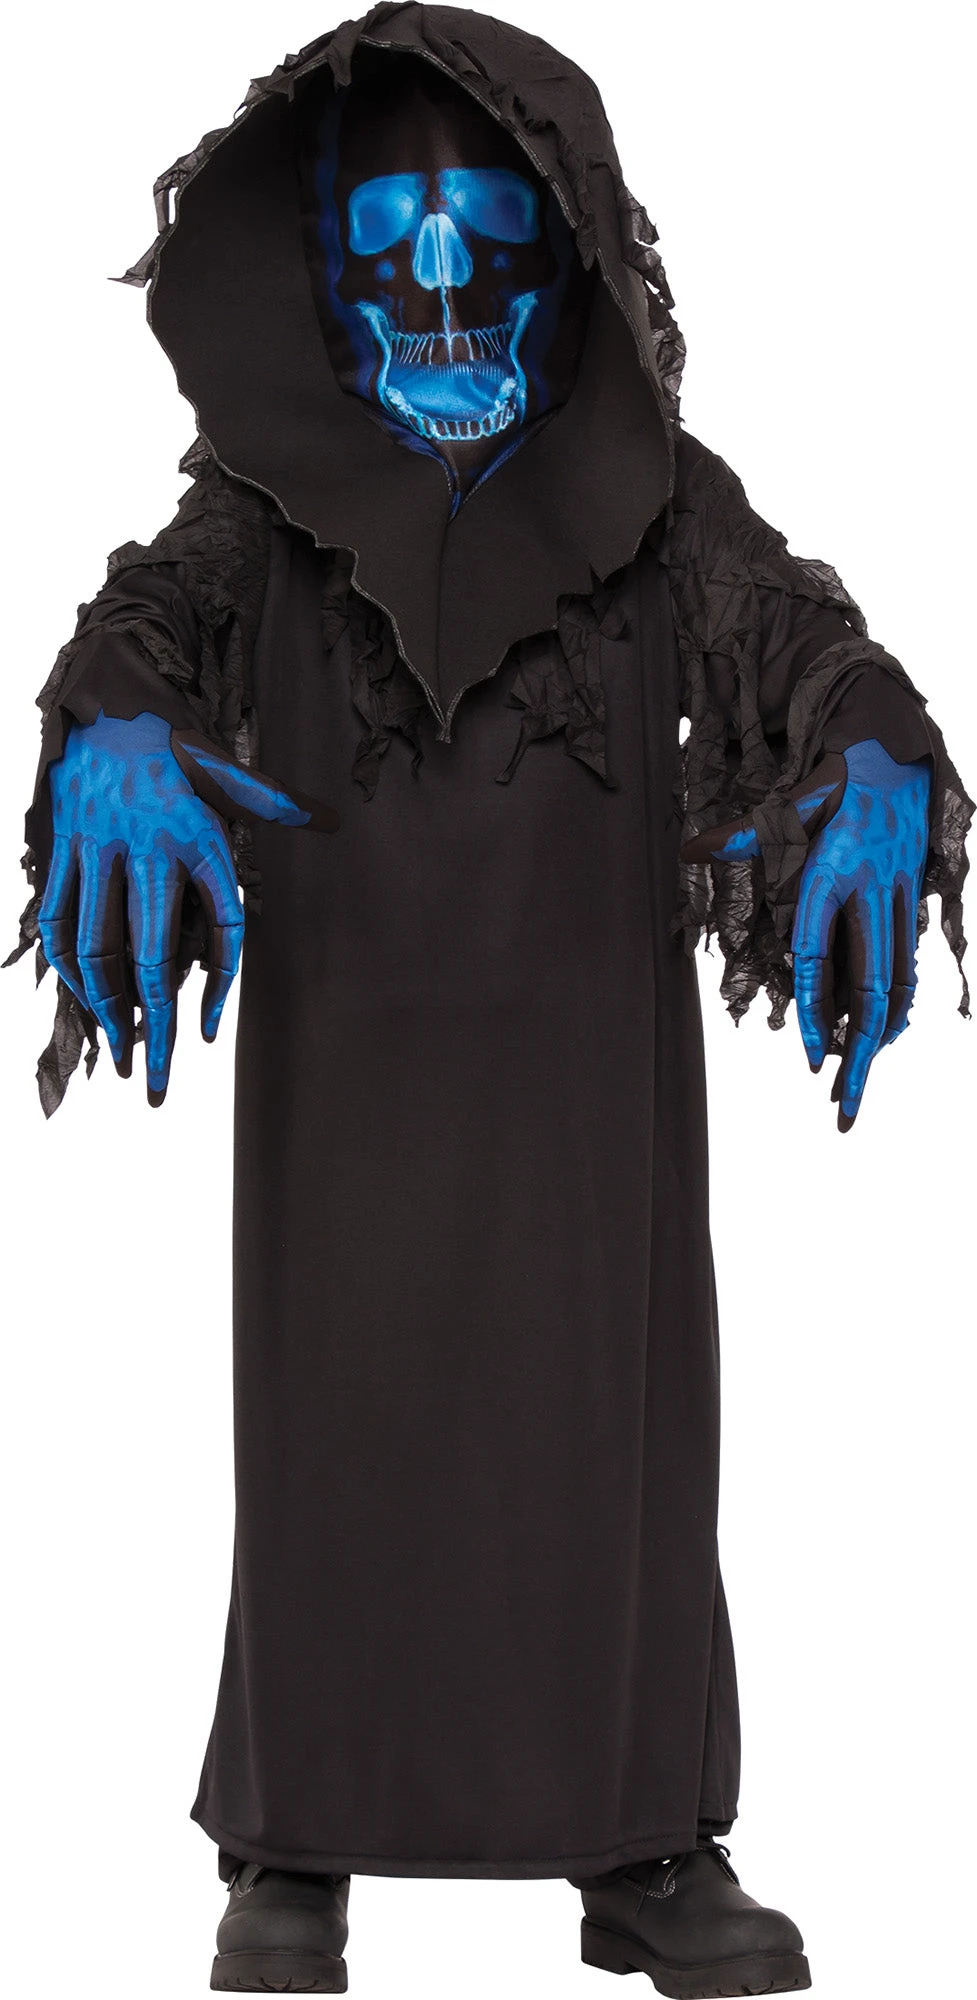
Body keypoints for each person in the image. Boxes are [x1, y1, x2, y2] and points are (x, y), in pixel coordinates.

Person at [12, 7, 970, 1996]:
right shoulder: (260, 510)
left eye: (481, 226)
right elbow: (137, 633)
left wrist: (880, 755)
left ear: (564, 242)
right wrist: (109, 727)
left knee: (608, 1435)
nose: (440, 276)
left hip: (584, 1085)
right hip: (343, 1078)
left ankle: (643, 1841)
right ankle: (295, 1840)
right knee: (330, 1423)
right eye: (391, 230)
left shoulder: (659, 500)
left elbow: (811, 646)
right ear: (324, 261)